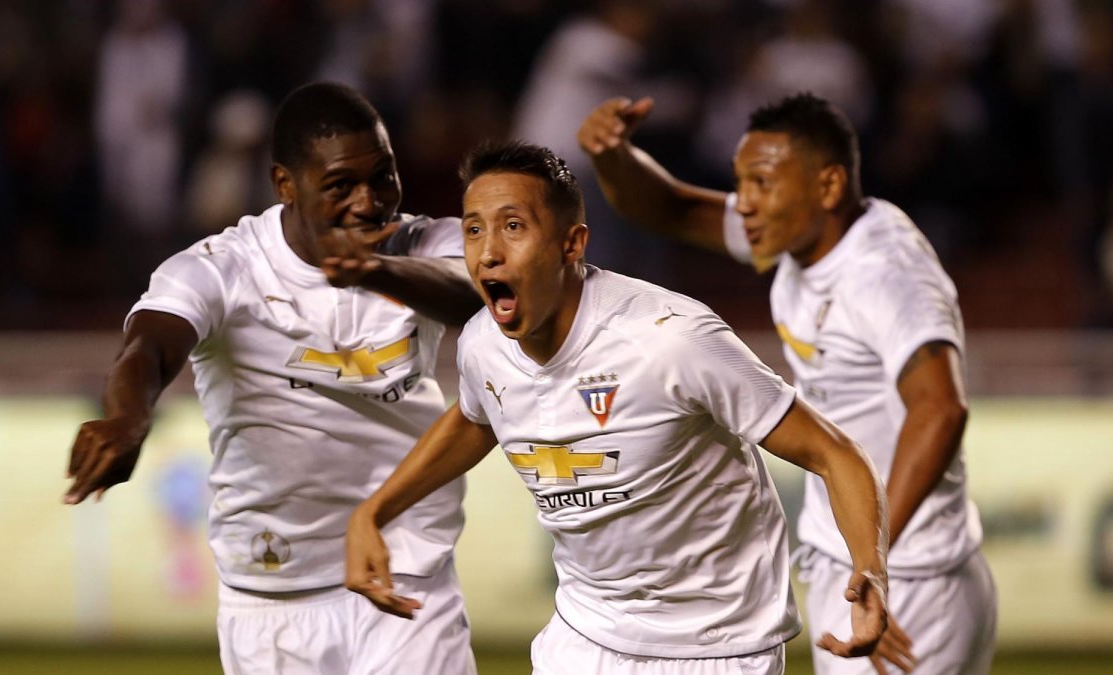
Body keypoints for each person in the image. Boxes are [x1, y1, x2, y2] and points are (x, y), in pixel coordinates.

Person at [344, 140, 891, 674]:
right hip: (586, 635)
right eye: (473, 229)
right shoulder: (483, 345)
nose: (488, 251)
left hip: (718, 645)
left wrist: (870, 569)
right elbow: (474, 418)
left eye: (514, 226)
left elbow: (832, 452)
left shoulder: (671, 338)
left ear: (571, 244)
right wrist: (376, 512)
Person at [64, 81, 481, 675]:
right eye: (341, 185)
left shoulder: (421, 244)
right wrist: (128, 418)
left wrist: (378, 271)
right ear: (285, 184)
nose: (369, 202)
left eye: (383, 176)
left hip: (407, 569)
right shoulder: (226, 269)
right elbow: (148, 346)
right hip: (273, 591)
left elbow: (480, 298)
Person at [577, 93, 997, 674]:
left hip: (910, 574)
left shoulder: (886, 273)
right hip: (856, 557)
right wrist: (612, 154)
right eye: (739, 182)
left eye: (762, 183)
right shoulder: (803, 237)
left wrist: (874, 561)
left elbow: (941, 411)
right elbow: (669, 210)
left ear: (826, 187)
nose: (743, 204)